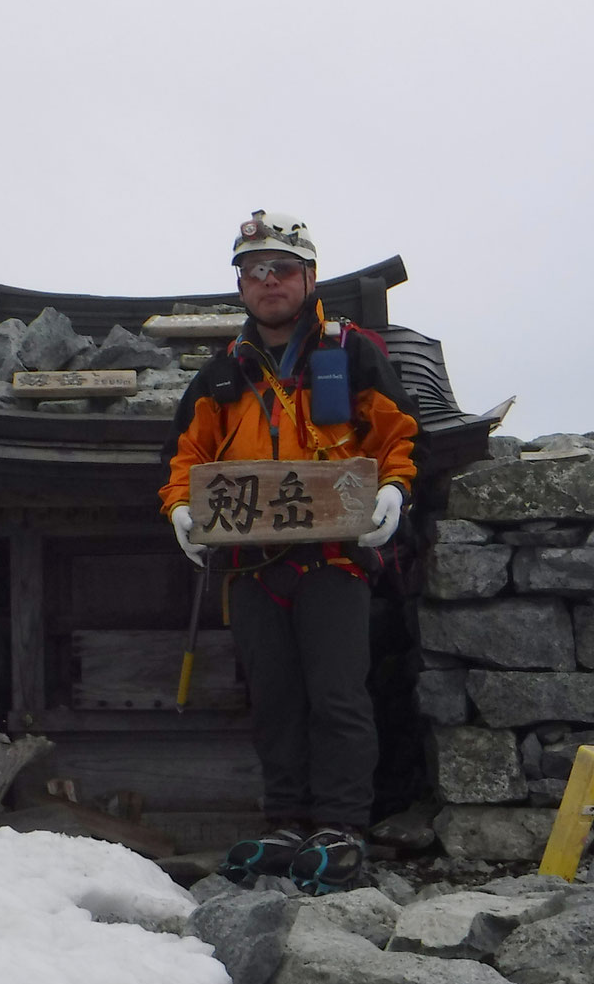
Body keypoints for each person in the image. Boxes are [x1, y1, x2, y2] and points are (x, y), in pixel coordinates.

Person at [160, 211, 419, 892]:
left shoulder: (352, 351)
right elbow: (185, 456)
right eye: (253, 271)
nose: (267, 282)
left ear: (308, 277)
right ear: (240, 286)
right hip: (250, 566)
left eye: (281, 269)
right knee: (273, 698)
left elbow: (398, 433)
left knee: (337, 694)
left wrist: (393, 490)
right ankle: (285, 822)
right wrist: (181, 506)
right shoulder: (222, 373)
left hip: (335, 555)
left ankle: (341, 825)